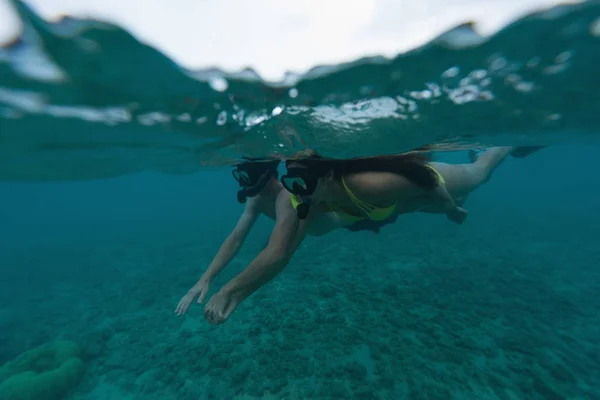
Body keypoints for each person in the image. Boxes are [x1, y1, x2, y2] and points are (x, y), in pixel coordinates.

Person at [195, 145, 543, 324]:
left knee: (479, 175)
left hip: (428, 188)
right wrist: (234, 294)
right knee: (439, 202)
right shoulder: (310, 197)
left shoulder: (368, 183)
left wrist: (452, 209)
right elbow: (279, 253)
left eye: (303, 183)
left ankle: (504, 147)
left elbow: (427, 181)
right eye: (293, 183)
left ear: (329, 177)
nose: (297, 191)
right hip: (395, 207)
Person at [174, 159, 285, 317]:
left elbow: (278, 253)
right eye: (241, 177)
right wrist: (205, 278)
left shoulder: (288, 197)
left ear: (265, 175)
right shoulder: (257, 199)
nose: (243, 184)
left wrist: (226, 292)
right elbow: (236, 238)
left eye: (248, 176)